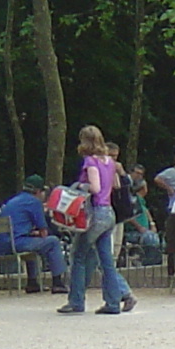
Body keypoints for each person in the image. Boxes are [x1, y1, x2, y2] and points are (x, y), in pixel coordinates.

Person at [57, 129, 134, 315]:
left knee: (78, 256)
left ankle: (76, 301)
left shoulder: (90, 161)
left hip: (95, 213)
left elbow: (95, 187)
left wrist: (80, 185)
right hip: (109, 213)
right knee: (106, 259)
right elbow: (115, 185)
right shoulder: (110, 162)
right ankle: (113, 303)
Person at [0, 173, 69, 293]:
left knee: (32, 244)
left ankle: (32, 283)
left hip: (1, 245)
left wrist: (33, 234)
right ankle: (58, 282)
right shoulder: (34, 202)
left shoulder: (12, 201)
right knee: (53, 241)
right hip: (17, 244)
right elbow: (44, 231)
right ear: (37, 191)